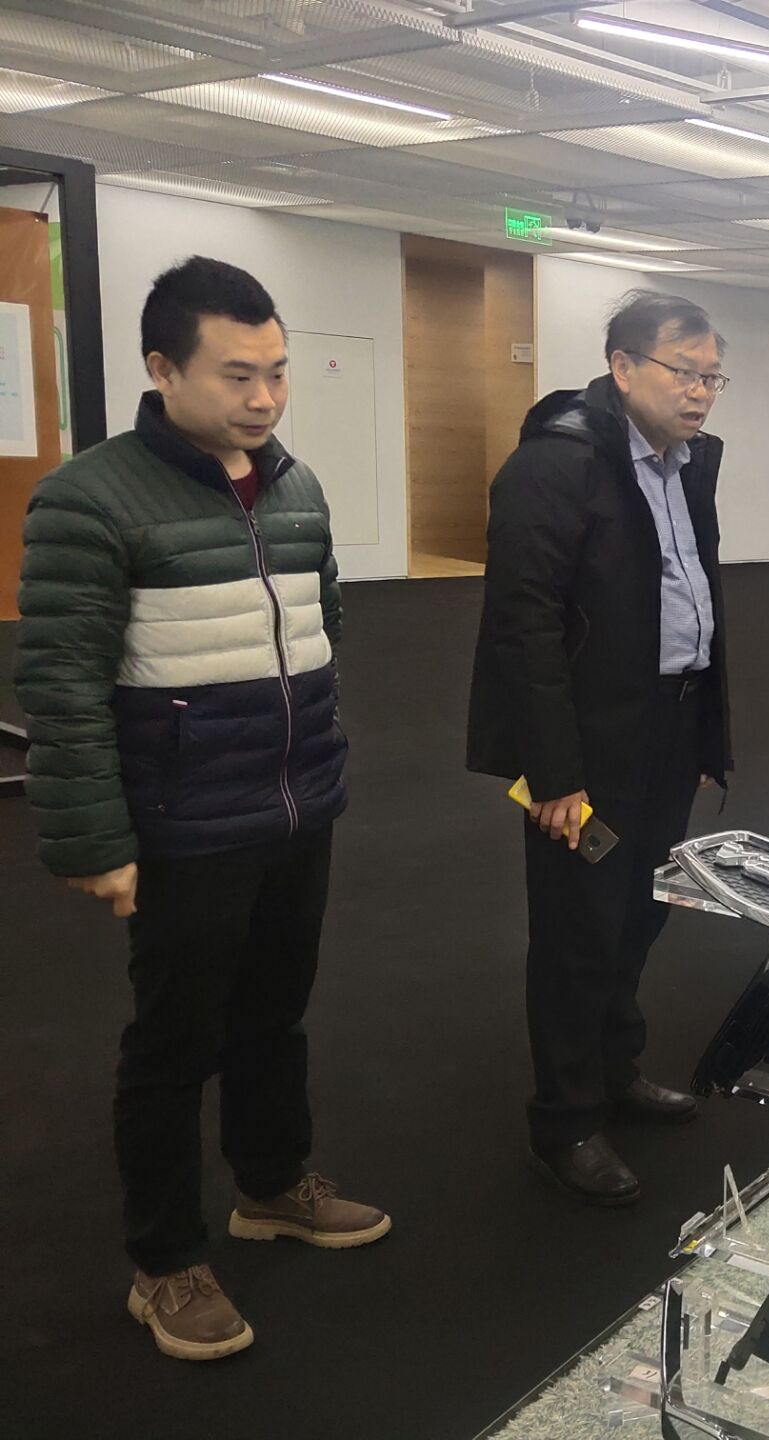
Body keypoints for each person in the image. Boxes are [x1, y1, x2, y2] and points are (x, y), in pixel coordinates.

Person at [13, 257, 388, 1362]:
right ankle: (165, 1260)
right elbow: (62, 685)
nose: (265, 398)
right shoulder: (90, 498)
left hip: (295, 804)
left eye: (277, 372)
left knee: (275, 1014)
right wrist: (95, 838)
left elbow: (320, 625)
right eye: (237, 376)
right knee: (173, 1047)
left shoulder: (295, 485)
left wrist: (315, 756)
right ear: (162, 368)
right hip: (183, 822)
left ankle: (270, 1184)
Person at [468, 291, 732, 1205]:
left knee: (641, 909)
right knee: (579, 927)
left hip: (670, 723)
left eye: (713, 377)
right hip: (589, 740)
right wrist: (552, 773)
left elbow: (696, 600)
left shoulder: (688, 464)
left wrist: (708, 734)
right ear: (622, 367)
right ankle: (566, 1119)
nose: (700, 392)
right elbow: (524, 628)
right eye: (683, 372)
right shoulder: (557, 464)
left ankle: (615, 1070)